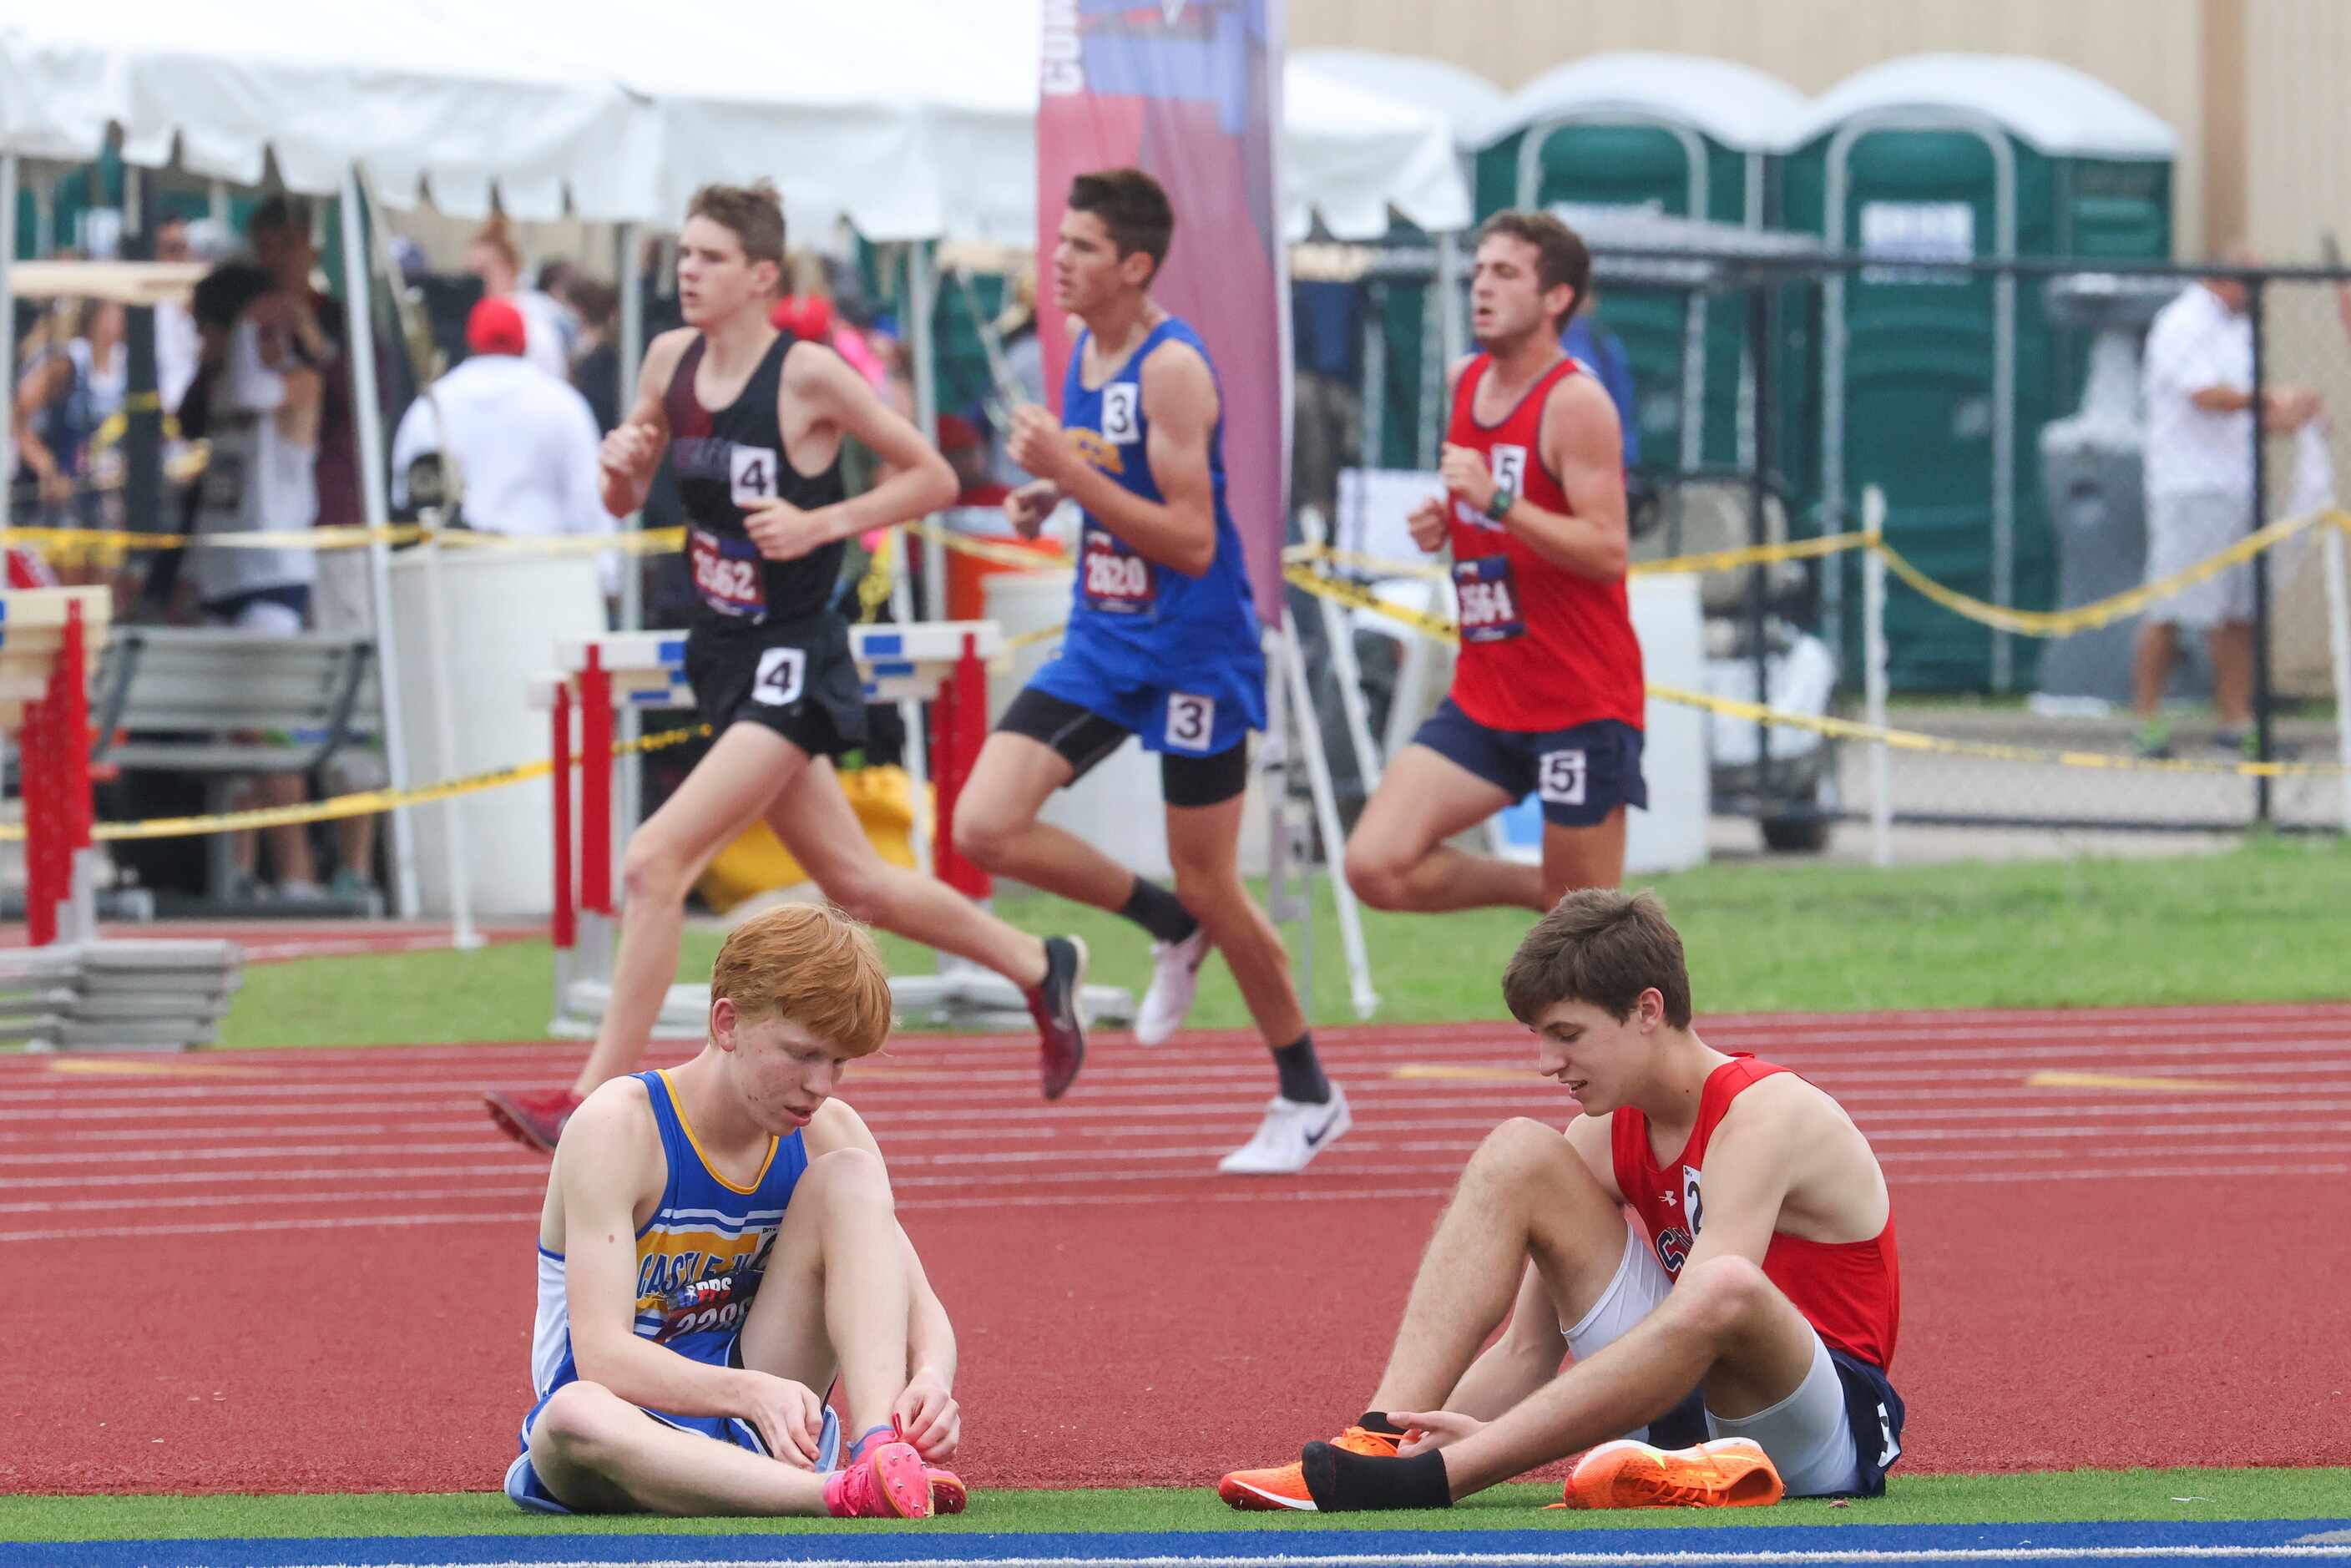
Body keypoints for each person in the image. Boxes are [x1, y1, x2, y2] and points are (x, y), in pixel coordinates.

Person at [483, 182, 1089, 1154]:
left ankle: (592, 1104)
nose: (687, 271)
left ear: (762, 275)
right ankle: (1036, 960)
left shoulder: (805, 376)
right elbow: (621, 492)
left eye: (710, 258)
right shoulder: (668, 360)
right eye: (684, 253)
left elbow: (930, 474)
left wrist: (823, 522)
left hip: (794, 658)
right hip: (721, 651)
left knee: (653, 862)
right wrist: (619, 463)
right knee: (860, 880)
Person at [1218, 889, 1903, 1513]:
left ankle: (1438, 1482)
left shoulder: (1762, 1114)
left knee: (1724, 1284)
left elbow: (1706, 1322)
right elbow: (1527, 1354)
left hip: (1816, 1432)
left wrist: (1477, 1456)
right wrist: (1425, 1438)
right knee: (1519, 1150)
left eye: (1567, 1036)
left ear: (1647, 1010)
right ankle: (1377, 1441)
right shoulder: (1606, 1132)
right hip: (1681, 1400)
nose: (1547, 1064)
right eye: (1540, 1039)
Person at [949, 169, 1340, 1174]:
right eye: (1058, 243)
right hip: (1104, 638)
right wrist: (1052, 494)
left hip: (1192, 650)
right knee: (983, 824)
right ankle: (1163, 923)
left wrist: (1072, 477)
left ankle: (1307, 1092)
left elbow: (1194, 540)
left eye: (1079, 248)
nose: (1058, 263)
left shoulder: (1173, 369)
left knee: (1215, 878)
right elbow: (1108, 468)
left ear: (1133, 264)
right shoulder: (1086, 344)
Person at [505, 902, 966, 1520]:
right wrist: (749, 1392)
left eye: (839, 1063)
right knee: (569, 1416)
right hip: (620, 1437)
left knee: (853, 1176)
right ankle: (834, 1496)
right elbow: (602, 1358)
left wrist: (932, 1379)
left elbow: (921, 1310)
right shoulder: (618, 1127)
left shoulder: (829, 1132)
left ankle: (878, 1450)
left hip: (768, 1421)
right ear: (727, 1024)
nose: (821, 1086)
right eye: (803, 1054)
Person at [1342, 211, 1646, 918]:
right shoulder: (1464, 381)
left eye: (1505, 273)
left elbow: (1606, 551)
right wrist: (1450, 520)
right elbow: (1491, 507)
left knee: (1596, 965)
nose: (1481, 286)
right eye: (1478, 270)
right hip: (1486, 694)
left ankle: (1619, 958)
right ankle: (1550, 894)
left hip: (1579, 700)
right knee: (1374, 866)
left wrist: (1498, 501)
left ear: (1556, 299)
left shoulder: (1576, 402)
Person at [2134, 247, 2321, 759]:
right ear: (2223, 279)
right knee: (2170, 607)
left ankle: (2235, 725)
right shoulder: (2182, 323)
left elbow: (2243, 407)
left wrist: (2294, 419)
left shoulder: (2238, 330)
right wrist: (2271, 399)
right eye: (2252, 283)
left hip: (2239, 485)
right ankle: (2146, 723)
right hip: (2190, 488)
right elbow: (2206, 396)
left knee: (2238, 613)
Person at [185, 264, 326, 903]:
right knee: (227, 743)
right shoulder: (218, 388)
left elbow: (250, 387)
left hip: (271, 580)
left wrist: (249, 324)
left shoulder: (297, 385)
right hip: (219, 576)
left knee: (271, 735)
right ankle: (235, 874)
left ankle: (295, 873)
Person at [388, 296, 614, 596]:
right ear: (524, 345)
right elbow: (589, 501)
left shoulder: (431, 406)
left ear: (470, 342)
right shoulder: (562, 404)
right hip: (545, 584)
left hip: (453, 588)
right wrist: (608, 578)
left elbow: (403, 497)